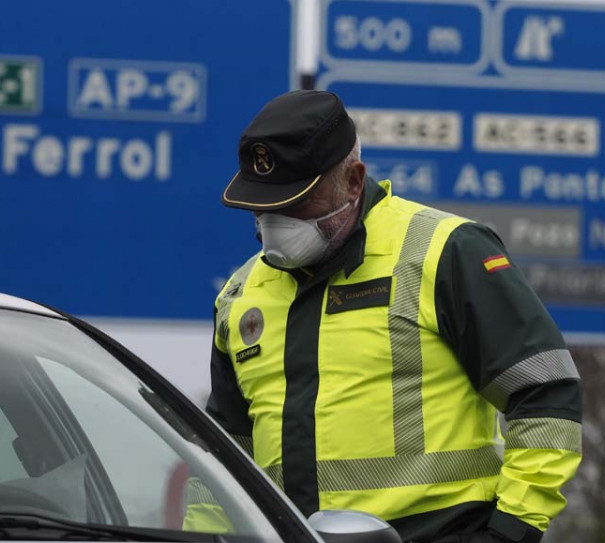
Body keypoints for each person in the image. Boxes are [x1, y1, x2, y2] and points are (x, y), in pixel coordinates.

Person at [207, 90, 582, 543]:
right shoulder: (239, 294)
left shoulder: (446, 253)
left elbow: (546, 394)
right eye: (264, 206)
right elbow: (218, 457)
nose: (275, 221)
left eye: (297, 202)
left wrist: (510, 532)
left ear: (353, 180)